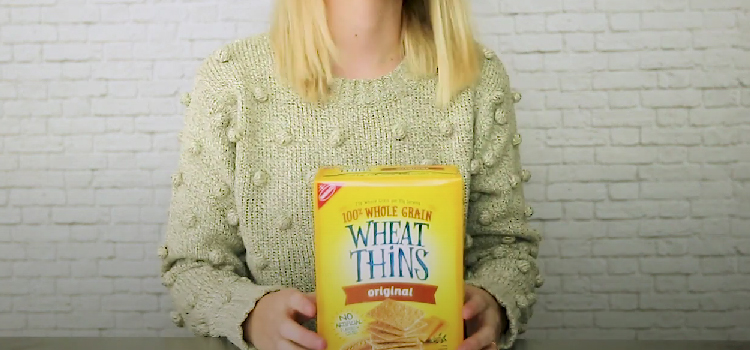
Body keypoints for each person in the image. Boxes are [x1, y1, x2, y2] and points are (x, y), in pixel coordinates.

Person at [158, 1, 543, 350]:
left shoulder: (476, 77)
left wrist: (492, 302)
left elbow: (505, 248)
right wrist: (251, 313)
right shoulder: (233, 81)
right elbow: (190, 265)